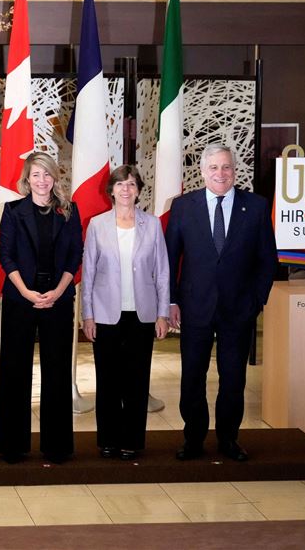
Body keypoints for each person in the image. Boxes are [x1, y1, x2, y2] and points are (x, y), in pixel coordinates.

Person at [166, 143, 277, 462]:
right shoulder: (183, 207)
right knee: (192, 378)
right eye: (213, 167)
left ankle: (229, 439)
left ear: (235, 171)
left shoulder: (256, 207)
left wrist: (256, 301)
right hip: (194, 308)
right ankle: (193, 439)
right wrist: (171, 301)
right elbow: (170, 259)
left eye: (226, 167)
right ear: (202, 171)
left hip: (238, 310)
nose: (220, 173)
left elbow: (268, 260)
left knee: (233, 379)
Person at [0, 152, 83, 464]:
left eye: (46, 174)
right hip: (21, 299)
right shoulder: (13, 211)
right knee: (15, 370)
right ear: (27, 179)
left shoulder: (69, 211)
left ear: (54, 177)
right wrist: (26, 292)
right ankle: (12, 446)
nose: (41, 180)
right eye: (36, 175)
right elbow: (5, 255)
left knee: (57, 371)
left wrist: (58, 291)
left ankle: (57, 447)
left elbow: (75, 255)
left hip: (58, 300)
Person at [81, 165, 170, 461]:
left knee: (137, 379)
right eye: (120, 184)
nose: (126, 190)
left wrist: (162, 313)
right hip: (105, 314)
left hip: (142, 315)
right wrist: (88, 315)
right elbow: (88, 273)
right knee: (107, 380)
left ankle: (132, 440)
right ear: (111, 190)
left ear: (139, 190)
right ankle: (108, 440)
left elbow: (162, 271)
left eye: (131, 184)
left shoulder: (152, 225)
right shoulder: (97, 225)